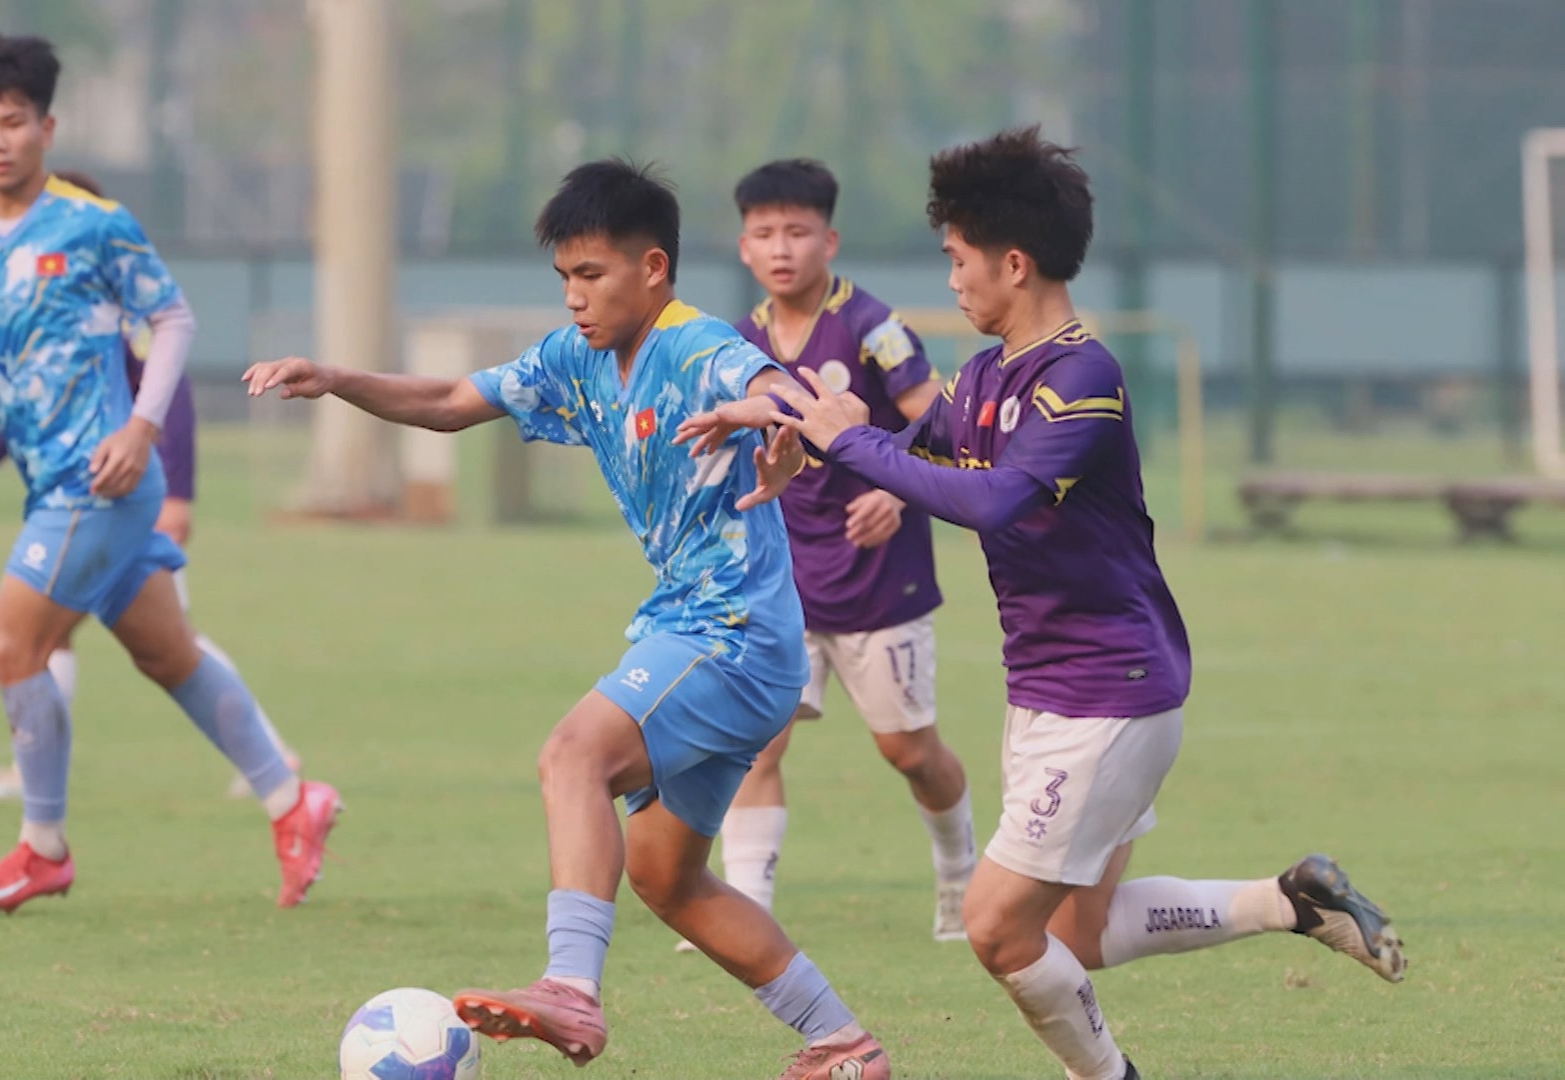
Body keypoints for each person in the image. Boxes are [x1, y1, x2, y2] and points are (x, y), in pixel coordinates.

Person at [680, 126, 1406, 1080]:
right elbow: (899, 446)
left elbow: (993, 498)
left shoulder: (1082, 377)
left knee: (994, 927)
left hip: (1108, 694)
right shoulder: (984, 375)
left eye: (958, 259)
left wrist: (852, 444)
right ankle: (1290, 902)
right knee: (1078, 934)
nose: (951, 280)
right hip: (1050, 690)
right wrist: (791, 422)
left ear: (1013, 264)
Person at [244, 159, 891, 1080]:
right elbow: (451, 402)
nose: (575, 297)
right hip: (705, 634)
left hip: (730, 634)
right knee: (667, 878)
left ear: (653, 269)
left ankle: (571, 989)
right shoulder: (573, 358)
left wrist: (764, 409)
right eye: (564, 278)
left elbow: (831, 407)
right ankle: (844, 1045)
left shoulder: (699, 346)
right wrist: (336, 377)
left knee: (571, 756)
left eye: (592, 274)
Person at [0, 33, 337, 913]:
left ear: (47, 127)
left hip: (98, 483)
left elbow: (172, 321)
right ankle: (293, 801)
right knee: (166, 653)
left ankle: (42, 848)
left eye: (13, 122)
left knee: (14, 646)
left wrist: (142, 430)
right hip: (50, 484)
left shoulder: (94, 224)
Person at [0, 168, 298, 805]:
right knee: (75, 637)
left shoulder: (119, 293)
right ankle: (33, 780)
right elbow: (37, 403)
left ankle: (271, 758)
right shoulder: (58, 297)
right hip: (85, 489)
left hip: (126, 489)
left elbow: (173, 391)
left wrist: (179, 494)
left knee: (163, 642)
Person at [694, 158, 972, 947]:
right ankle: (745, 907)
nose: (781, 248)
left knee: (908, 751)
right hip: (782, 579)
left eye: (798, 231)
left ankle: (961, 875)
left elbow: (942, 425)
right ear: (744, 247)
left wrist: (900, 490)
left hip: (878, 578)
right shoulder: (740, 342)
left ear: (830, 240)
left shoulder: (874, 329)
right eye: (764, 233)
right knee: (756, 741)